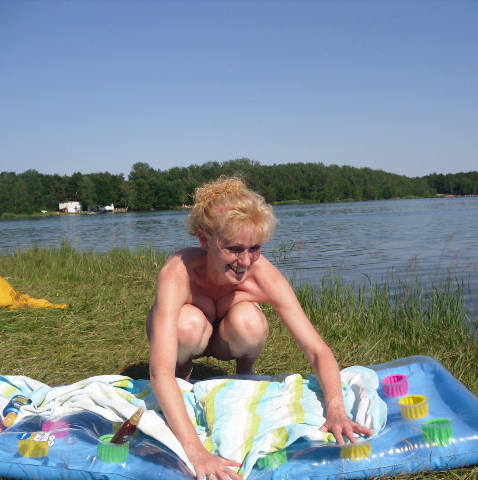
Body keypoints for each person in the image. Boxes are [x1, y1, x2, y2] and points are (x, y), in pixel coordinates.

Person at [147, 176, 372, 480]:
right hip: (191, 335)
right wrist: (197, 452)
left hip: (228, 337)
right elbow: (158, 371)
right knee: (187, 324)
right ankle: (184, 373)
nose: (245, 261)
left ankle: (245, 373)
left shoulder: (263, 274)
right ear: (204, 240)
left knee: (250, 321)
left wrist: (336, 410)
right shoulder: (178, 271)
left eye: (255, 248)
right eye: (234, 248)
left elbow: (317, 350)